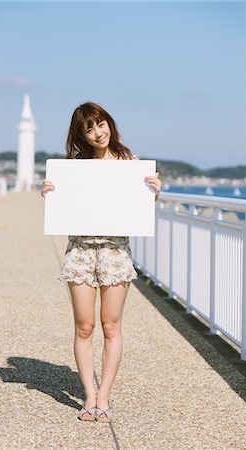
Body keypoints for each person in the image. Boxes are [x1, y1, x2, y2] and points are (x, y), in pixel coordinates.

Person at [41, 102, 161, 423]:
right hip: (80, 250)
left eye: (101, 124)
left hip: (114, 251)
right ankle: (89, 396)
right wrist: (51, 193)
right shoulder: (74, 168)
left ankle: (104, 396)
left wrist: (154, 192)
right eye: (89, 129)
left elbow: (139, 205)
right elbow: (63, 204)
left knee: (111, 325)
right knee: (84, 326)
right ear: (81, 136)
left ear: (110, 123)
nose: (98, 133)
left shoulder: (129, 163)